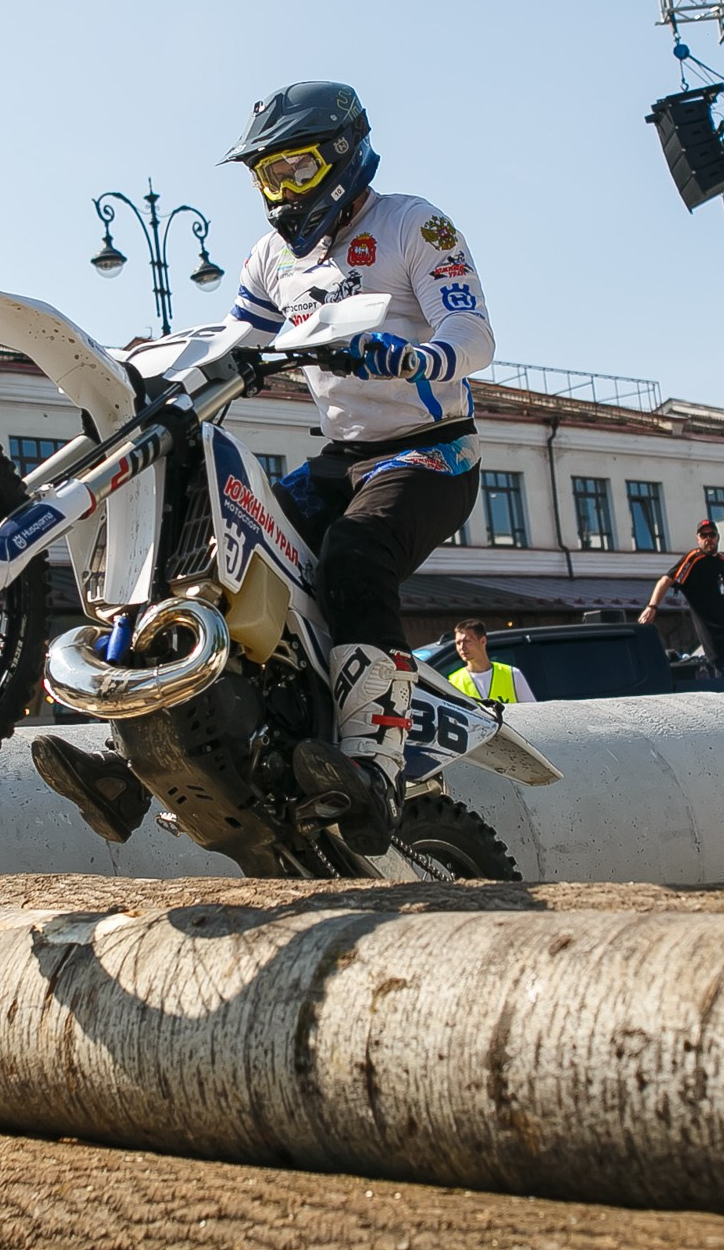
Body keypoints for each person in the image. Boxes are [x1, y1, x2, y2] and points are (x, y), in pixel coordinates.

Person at [37, 83, 495, 856]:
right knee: (211, 542)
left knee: (355, 557)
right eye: (267, 178)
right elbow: (231, 350)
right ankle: (127, 767)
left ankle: (374, 774)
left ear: (345, 157)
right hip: (341, 458)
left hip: (433, 450)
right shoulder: (269, 258)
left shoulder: (413, 224)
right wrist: (151, 378)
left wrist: (418, 355)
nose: (281, 193)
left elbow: (473, 331)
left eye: (296, 171)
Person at [639, 519, 724, 678]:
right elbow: (665, 580)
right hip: (717, 640)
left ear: (718, 537)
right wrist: (652, 607)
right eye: (704, 535)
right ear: (698, 538)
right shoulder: (694, 559)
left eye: (712, 534)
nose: (708, 538)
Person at [446, 620, 534, 704]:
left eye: (467, 641)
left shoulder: (512, 674)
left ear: (483, 641)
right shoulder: (453, 682)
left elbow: (532, 712)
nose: (461, 647)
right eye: (458, 643)